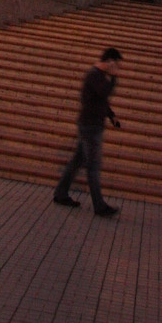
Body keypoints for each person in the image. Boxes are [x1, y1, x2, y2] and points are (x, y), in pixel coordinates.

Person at [54, 47, 122, 217]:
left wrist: (111, 115)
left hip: (90, 125)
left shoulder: (98, 76)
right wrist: (114, 77)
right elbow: (105, 92)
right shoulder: (94, 75)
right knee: (93, 167)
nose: (117, 68)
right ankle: (99, 206)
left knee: (77, 161)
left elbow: (101, 100)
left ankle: (60, 193)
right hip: (90, 127)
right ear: (109, 61)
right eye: (116, 64)